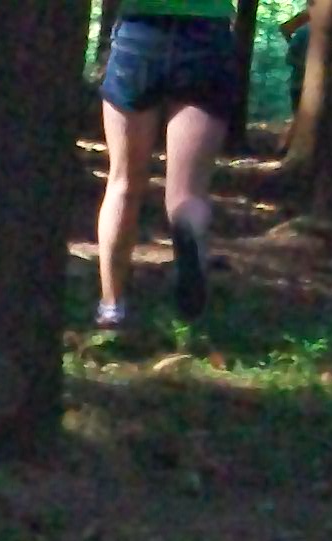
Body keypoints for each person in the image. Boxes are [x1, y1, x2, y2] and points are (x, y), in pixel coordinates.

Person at [94, 0, 241, 326]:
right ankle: (189, 252)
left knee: (123, 183)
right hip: (207, 39)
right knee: (188, 193)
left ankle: (112, 306)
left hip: (140, 32)